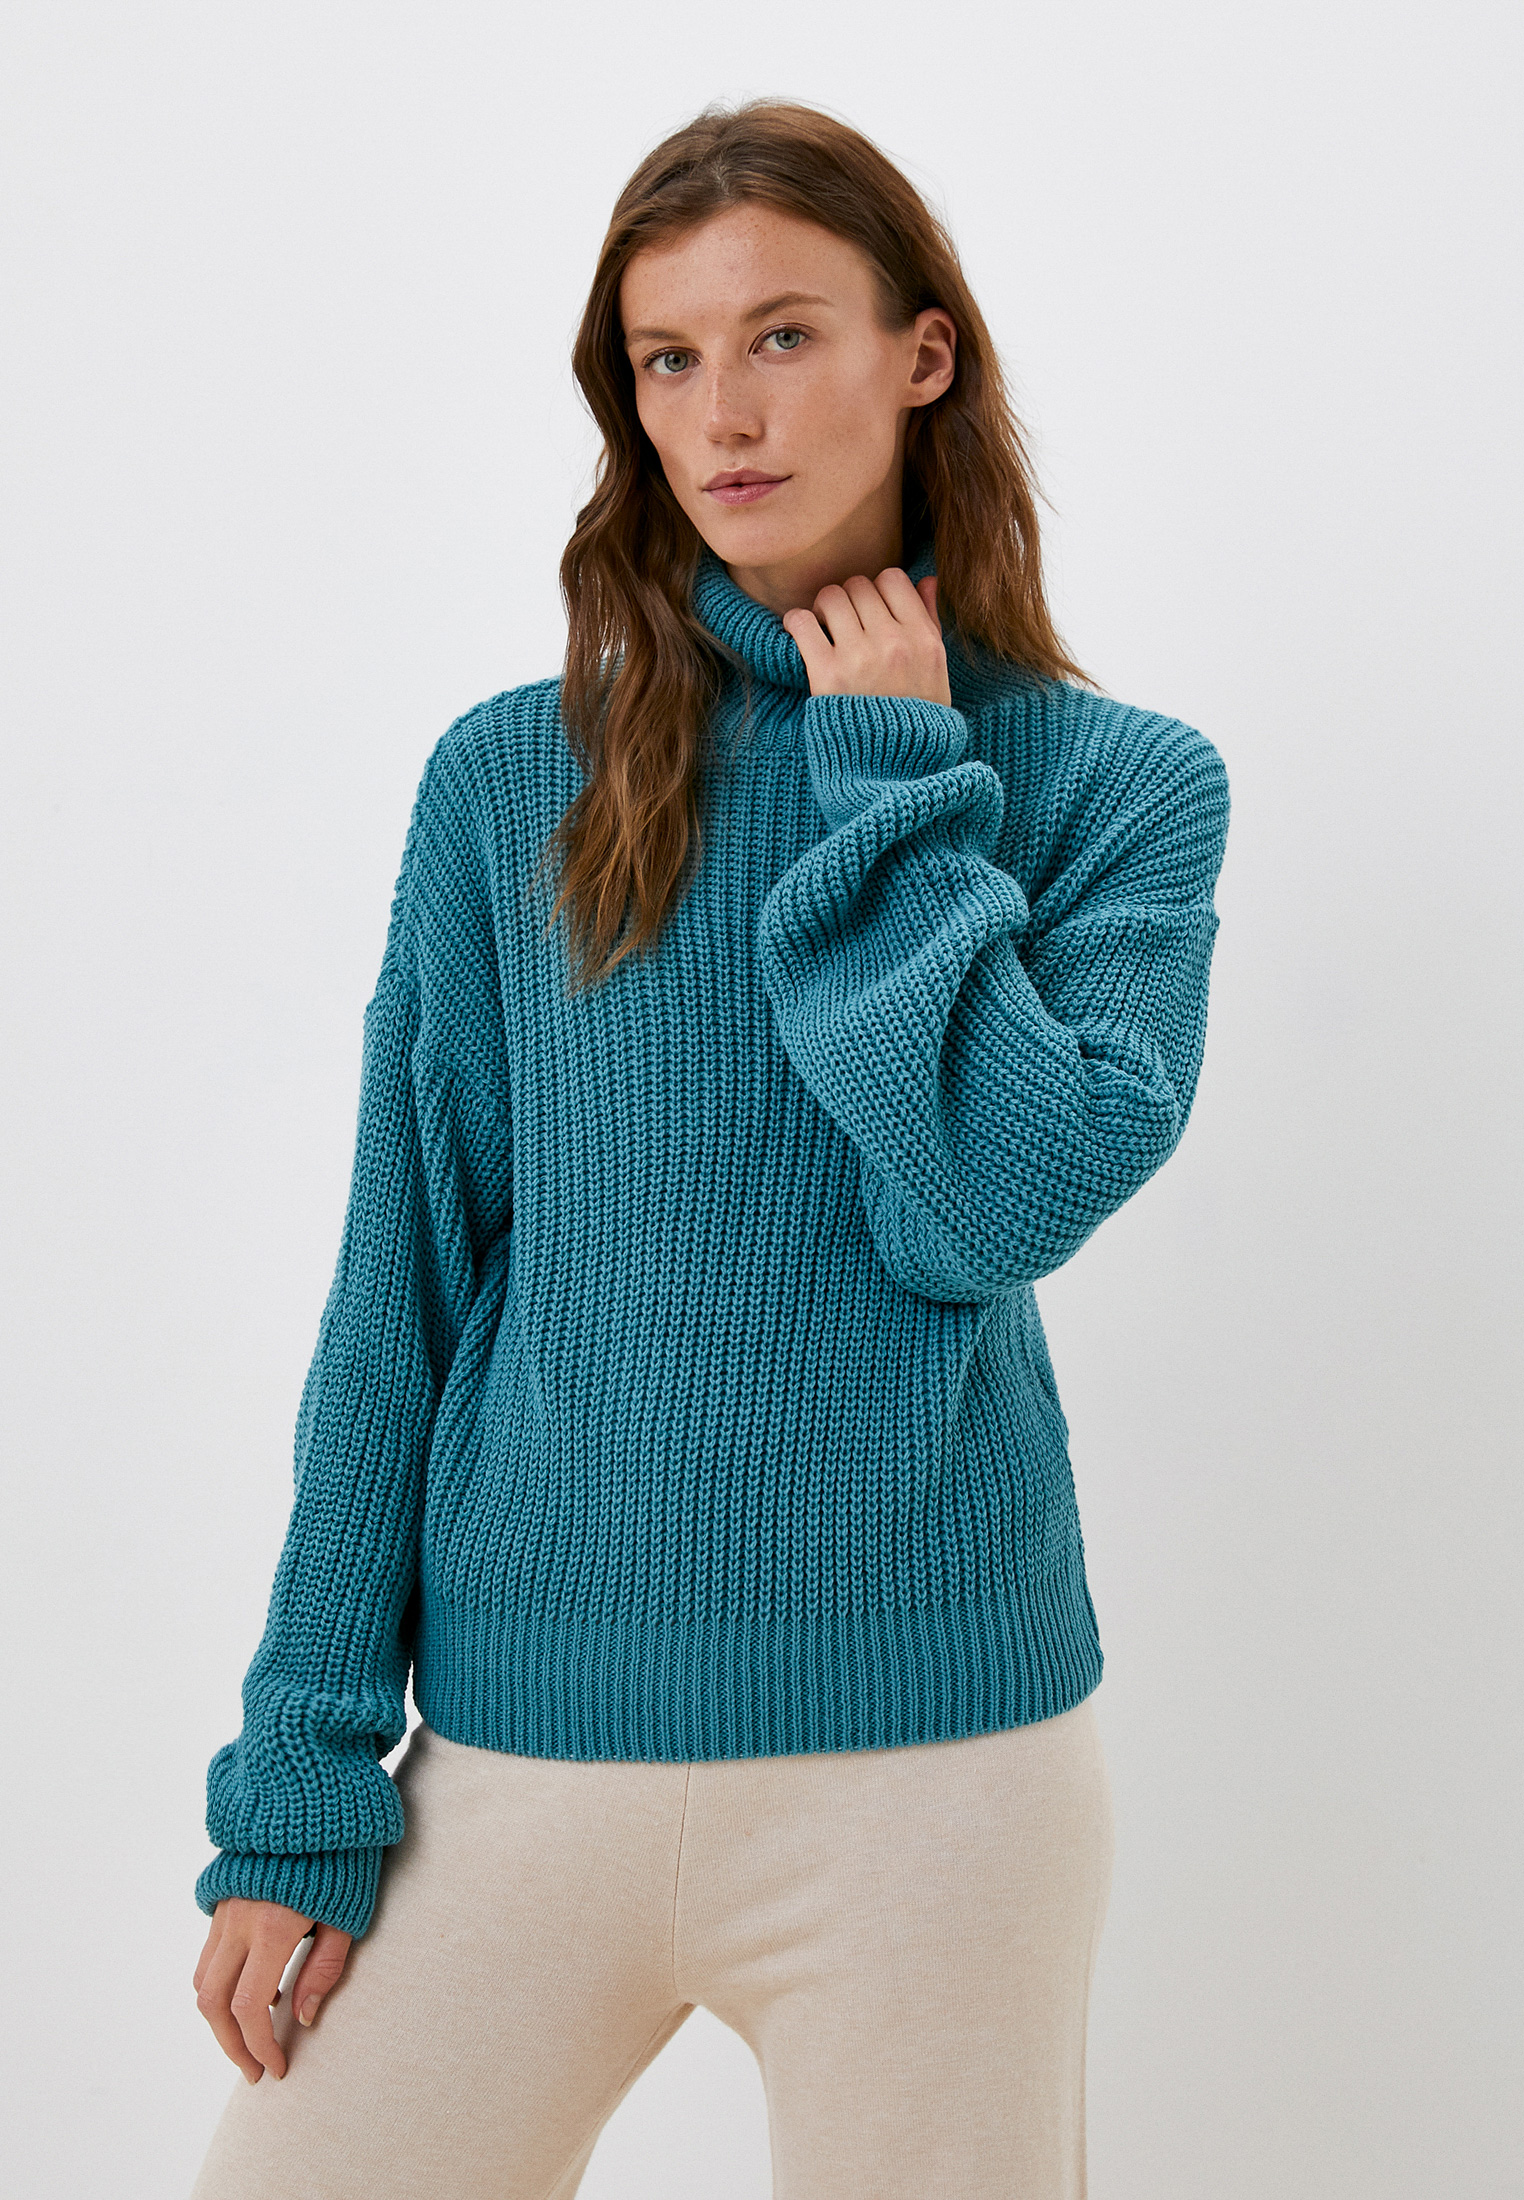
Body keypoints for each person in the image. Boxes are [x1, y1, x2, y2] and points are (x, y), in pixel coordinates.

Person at [189, 97, 1230, 2200]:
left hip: (935, 1777)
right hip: (517, 1752)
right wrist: (303, 1765)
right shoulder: (515, 781)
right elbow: (402, 1279)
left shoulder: (1115, 786)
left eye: (782, 337)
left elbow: (997, 1199)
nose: (722, 412)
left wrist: (895, 775)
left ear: (922, 355)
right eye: (668, 358)